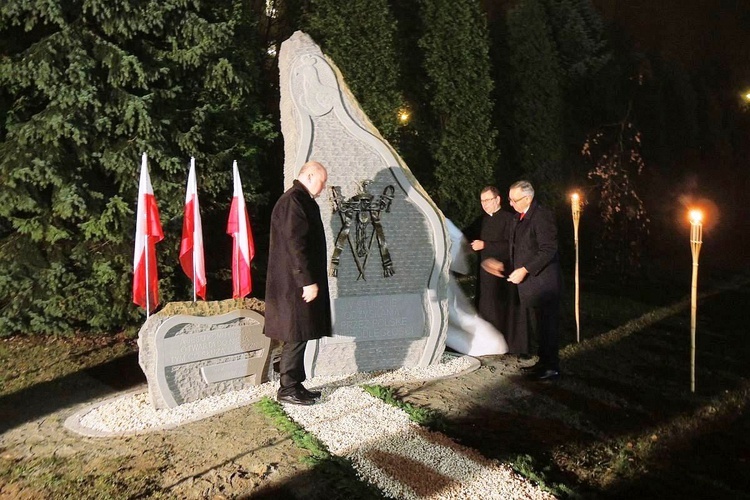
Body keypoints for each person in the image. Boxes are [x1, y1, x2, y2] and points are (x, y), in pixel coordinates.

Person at [264, 161, 332, 405]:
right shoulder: (294, 201)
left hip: (295, 283)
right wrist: (307, 281)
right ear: (310, 175)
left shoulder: (298, 199)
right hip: (294, 286)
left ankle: (295, 383)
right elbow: (296, 244)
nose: (323, 187)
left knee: (300, 333)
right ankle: (287, 389)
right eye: (322, 181)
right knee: (295, 334)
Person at [486, 180, 562, 380]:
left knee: (547, 326)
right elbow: (517, 248)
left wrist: (526, 269)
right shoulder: (517, 218)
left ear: (527, 198)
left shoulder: (541, 216)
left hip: (543, 283)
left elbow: (548, 249)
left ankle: (552, 366)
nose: (510, 204)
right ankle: (543, 362)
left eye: (514, 200)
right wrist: (506, 266)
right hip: (528, 283)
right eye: (509, 199)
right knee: (538, 326)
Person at [464, 187, 527, 354]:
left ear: (497, 200)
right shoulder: (481, 220)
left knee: (503, 311)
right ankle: (490, 346)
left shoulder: (510, 219)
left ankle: (507, 346)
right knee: (485, 308)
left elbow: (513, 246)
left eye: (488, 200)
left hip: (504, 274)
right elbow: (464, 236)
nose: (484, 204)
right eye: (482, 201)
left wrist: (486, 245)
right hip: (485, 276)